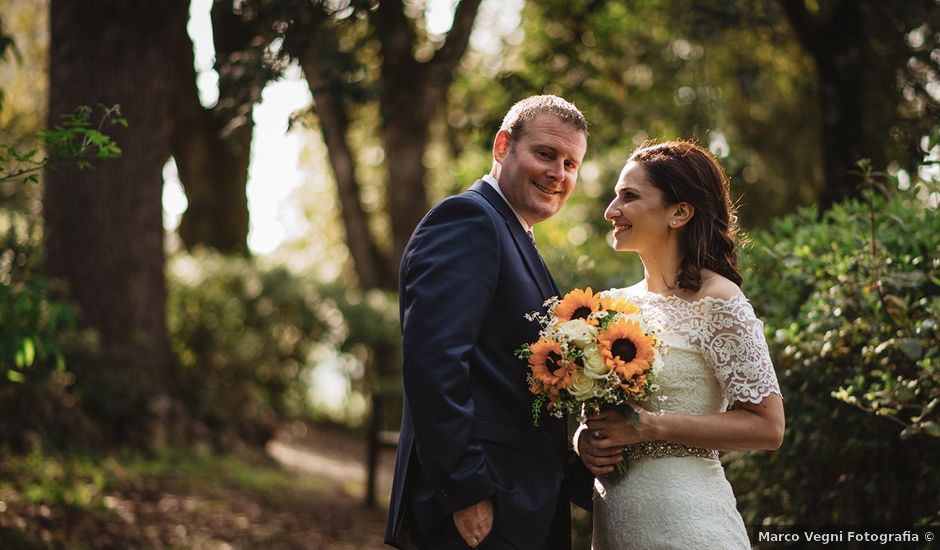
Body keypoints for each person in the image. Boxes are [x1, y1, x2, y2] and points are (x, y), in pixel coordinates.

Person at [385, 95, 595, 550]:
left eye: (571, 163)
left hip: (520, 503)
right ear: (503, 146)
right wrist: (465, 489)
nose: (558, 173)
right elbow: (434, 362)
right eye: (545, 153)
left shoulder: (513, 231)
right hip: (479, 508)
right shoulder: (469, 220)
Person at [577, 140, 785, 549]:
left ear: (679, 212)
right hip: (617, 525)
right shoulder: (610, 305)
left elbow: (768, 426)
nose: (611, 211)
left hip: (689, 522)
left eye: (629, 196)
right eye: (615, 195)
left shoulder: (719, 301)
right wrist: (584, 438)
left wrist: (649, 427)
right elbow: (599, 414)